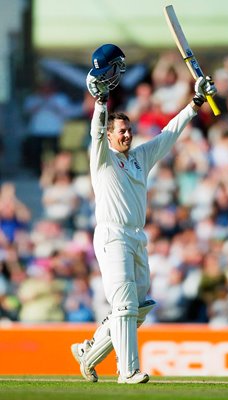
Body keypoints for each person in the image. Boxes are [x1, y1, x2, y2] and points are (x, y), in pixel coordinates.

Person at [70, 43, 217, 384]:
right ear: (110, 135)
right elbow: (96, 130)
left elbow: (169, 134)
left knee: (139, 308)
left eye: (128, 130)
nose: (126, 133)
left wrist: (195, 103)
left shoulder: (139, 157)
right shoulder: (102, 158)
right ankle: (128, 371)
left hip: (137, 235)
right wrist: (102, 102)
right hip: (111, 235)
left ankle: (88, 352)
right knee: (124, 306)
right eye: (120, 131)